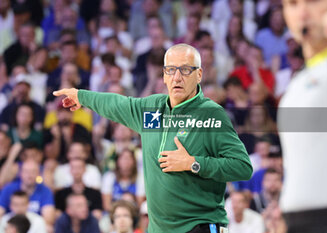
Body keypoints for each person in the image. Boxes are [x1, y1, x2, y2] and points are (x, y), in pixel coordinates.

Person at [53, 43, 252, 233]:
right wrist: (81, 96)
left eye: (185, 70)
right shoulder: (152, 110)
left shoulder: (210, 114)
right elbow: (115, 103)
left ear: (199, 74)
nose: (177, 77)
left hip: (200, 226)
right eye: (171, 70)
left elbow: (242, 166)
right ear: (164, 75)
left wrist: (193, 163)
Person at [278, 0, 327, 232]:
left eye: (313, 1)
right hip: (299, 220)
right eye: (292, 4)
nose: (303, 12)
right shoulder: (300, 81)